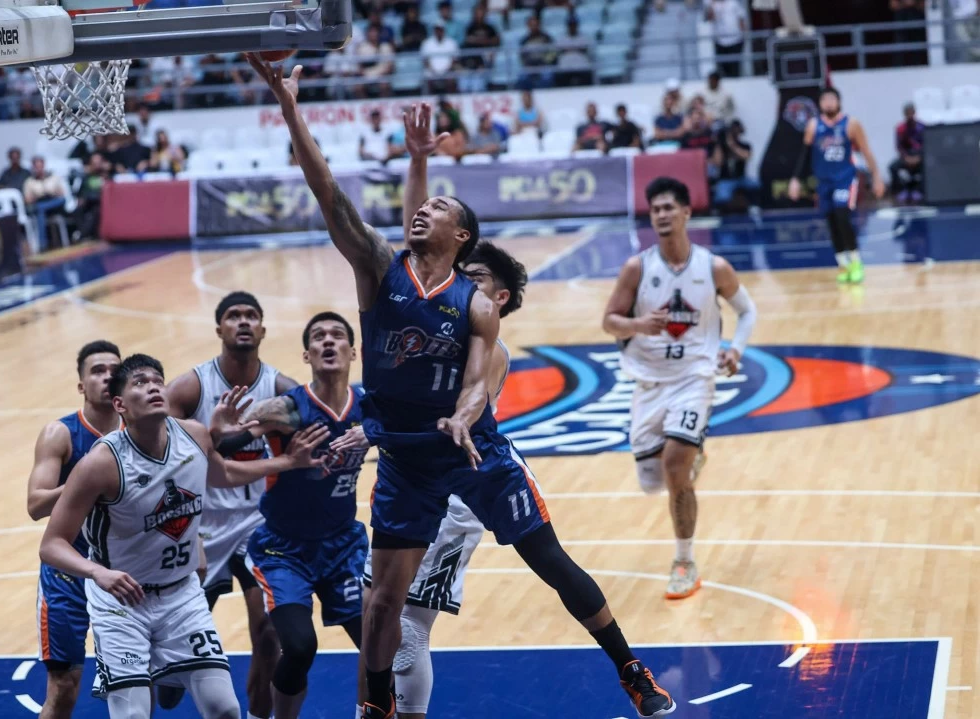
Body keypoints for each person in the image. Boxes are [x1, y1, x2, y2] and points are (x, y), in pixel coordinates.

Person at [247, 54, 675, 719]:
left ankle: (629, 666)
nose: (424, 210)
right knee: (383, 603)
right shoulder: (379, 269)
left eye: (439, 207)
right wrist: (289, 107)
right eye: (423, 205)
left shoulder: (476, 305)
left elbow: (478, 382)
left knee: (550, 560)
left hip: (474, 451)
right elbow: (325, 186)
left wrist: (463, 415)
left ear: (462, 234)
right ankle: (379, 701)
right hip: (406, 460)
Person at [350, 239, 527, 719]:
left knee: (408, 629)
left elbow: (454, 418)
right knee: (375, 613)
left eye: (477, 278)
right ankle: (368, 710)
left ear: (499, 299)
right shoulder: (437, 330)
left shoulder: (490, 351)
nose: (464, 284)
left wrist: (376, 431)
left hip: (452, 493)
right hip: (411, 479)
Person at [38, 355, 245, 719]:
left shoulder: (194, 435)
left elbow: (214, 480)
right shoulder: (100, 463)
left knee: (225, 708)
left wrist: (281, 460)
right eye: (140, 382)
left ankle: (169, 671)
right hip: (121, 603)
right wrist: (98, 573)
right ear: (119, 404)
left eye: (157, 380)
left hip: (180, 595)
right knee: (133, 715)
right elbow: (51, 544)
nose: (153, 387)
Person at [602, 177, 757, 600]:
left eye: (669, 207)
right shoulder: (637, 268)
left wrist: (735, 350)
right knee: (653, 482)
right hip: (650, 382)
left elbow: (747, 312)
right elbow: (609, 321)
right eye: (656, 209)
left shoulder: (713, 267)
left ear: (687, 212)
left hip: (694, 378)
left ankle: (684, 561)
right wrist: (638, 324)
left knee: (674, 465)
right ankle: (691, 458)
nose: (662, 215)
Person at [217, 312, 369, 719]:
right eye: (318, 337)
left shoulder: (369, 409)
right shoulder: (286, 409)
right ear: (307, 355)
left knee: (381, 645)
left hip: (343, 547)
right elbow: (223, 450)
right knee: (300, 648)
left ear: (353, 352)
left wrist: (377, 433)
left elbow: (412, 432)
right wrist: (223, 429)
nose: (328, 341)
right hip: (284, 551)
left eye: (337, 336)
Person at [164, 291, 298, 719]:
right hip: (200, 525)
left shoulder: (280, 388)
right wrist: (221, 435)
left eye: (251, 315)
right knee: (173, 664)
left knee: (268, 632)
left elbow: (319, 423)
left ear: (263, 329)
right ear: (219, 328)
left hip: (260, 523)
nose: (243, 321)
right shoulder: (191, 386)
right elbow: (158, 447)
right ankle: (167, 673)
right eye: (234, 315)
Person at [26, 341, 122, 719]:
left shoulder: (141, 433)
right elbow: (36, 505)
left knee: (135, 685)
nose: (107, 377)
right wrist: (86, 479)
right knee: (64, 687)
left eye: (114, 370)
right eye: (97, 371)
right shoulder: (60, 434)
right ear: (81, 385)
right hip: (68, 573)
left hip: (122, 572)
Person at [788, 87, 885, 284]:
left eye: (832, 99)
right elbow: (804, 155)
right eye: (825, 100)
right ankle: (843, 264)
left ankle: (856, 262)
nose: (828, 103)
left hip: (845, 179)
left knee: (842, 215)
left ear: (839, 102)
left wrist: (876, 176)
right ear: (820, 104)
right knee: (831, 221)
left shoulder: (851, 124)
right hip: (824, 181)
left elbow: (866, 151)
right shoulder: (813, 125)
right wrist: (795, 179)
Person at [890, 102, 925, 204]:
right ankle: (901, 190)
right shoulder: (900, 128)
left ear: (914, 113)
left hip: (919, 157)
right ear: (904, 114)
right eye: (907, 113)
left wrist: (919, 157)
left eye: (911, 113)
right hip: (906, 157)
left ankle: (919, 190)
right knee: (892, 167)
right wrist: (906, 158)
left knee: (928, 167)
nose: (909, 115)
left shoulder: (922, 127)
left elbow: (926, 145)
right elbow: (899, 147)